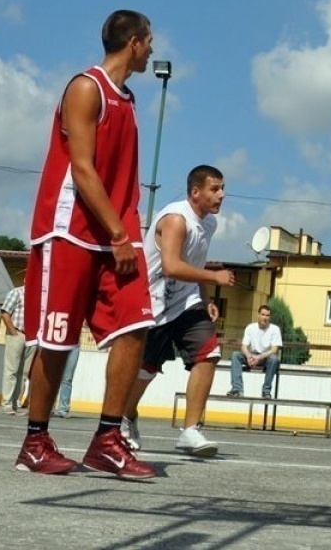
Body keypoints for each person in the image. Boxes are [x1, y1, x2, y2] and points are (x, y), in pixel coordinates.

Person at [16, 10, 157, 479]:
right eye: (149, 41)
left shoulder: (129, 99)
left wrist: (124, 233)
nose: (153, 49)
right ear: (134, 42)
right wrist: (118, 233)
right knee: (57, 340)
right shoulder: (85, 87)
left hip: (116, 235)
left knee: (137, 325)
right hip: (71, 231)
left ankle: (107, 440)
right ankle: (35, 440)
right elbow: (82, 168)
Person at [120, 165, 235, 457]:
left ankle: (190, 430)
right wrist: (215, 277)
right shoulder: (175, 219)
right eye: (214, 189)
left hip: (186, 301)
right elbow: (171, 265)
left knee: (208, 353)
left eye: (222, 189)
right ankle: (125, 416)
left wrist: (206, 296)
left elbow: (195, 261)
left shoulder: (208, 223)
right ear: (195, 191)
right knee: (147, 370)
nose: (221, 195)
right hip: (155, 302)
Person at [227, 305, 282, 399]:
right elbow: (244, 346)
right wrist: (248, 356)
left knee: (274, 359)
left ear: (270, 317)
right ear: (258, 315)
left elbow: (274, 350)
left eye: (267, 315)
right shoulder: (250, 327)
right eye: (263, 314)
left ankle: (266, 391)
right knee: (235, 355)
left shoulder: (275, 329)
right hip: (252, 356)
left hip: (266, 357)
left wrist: (259, 357)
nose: (265, 317)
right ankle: (237, 389)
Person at [0, 285, 34, 415]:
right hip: (17, 333)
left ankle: (15, 403)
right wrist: (13, 333)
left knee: (24, 373)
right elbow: (5, 312)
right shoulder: (17, 292)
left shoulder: (40, 295)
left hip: (32, 336)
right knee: (12, 370)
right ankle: (7, 403)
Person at [52, 346, 79, 419]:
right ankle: (49, 408)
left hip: (73, 346)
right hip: (57, 345)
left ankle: (63, 409)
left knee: (67, 379)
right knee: (53, 378)